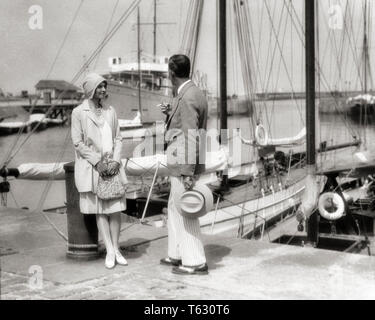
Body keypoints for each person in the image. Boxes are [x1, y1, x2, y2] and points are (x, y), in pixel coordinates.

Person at [71, 73, 128, 269]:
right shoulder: (79, 112)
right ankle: (110, 250)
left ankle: (117, 248)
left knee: (116, 209)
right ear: (90, 89)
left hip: (111, 167)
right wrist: (97, 162)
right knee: (101, 210)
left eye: (105, 86)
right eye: (99, 86)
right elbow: (77, 142)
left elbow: (118, 138)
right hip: (93, 168)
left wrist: (116, 161)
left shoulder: (110, 111)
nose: (104, 89)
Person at [160, 54, 209, 275]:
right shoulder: (192, 93)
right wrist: (170, 114)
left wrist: (188, 173)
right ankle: (176, 253)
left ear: (171, 72)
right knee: (173, 207)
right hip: (180, 163)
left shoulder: (187, 97)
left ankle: (195, 262)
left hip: (183, 165)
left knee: (185, 209)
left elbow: (190, 136)